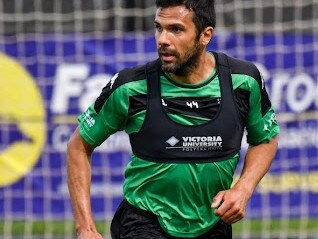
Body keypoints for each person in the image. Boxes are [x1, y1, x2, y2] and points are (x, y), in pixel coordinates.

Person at [67, 0, 280, 238]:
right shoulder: (131, 87)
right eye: (159, 28)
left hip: (213, 223)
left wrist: (243, 188)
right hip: (143, 221)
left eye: (176, 29)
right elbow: (78, 146)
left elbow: (265, 139)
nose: (162, 40)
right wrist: (85, 228)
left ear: (205, 35)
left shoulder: (243, 81)